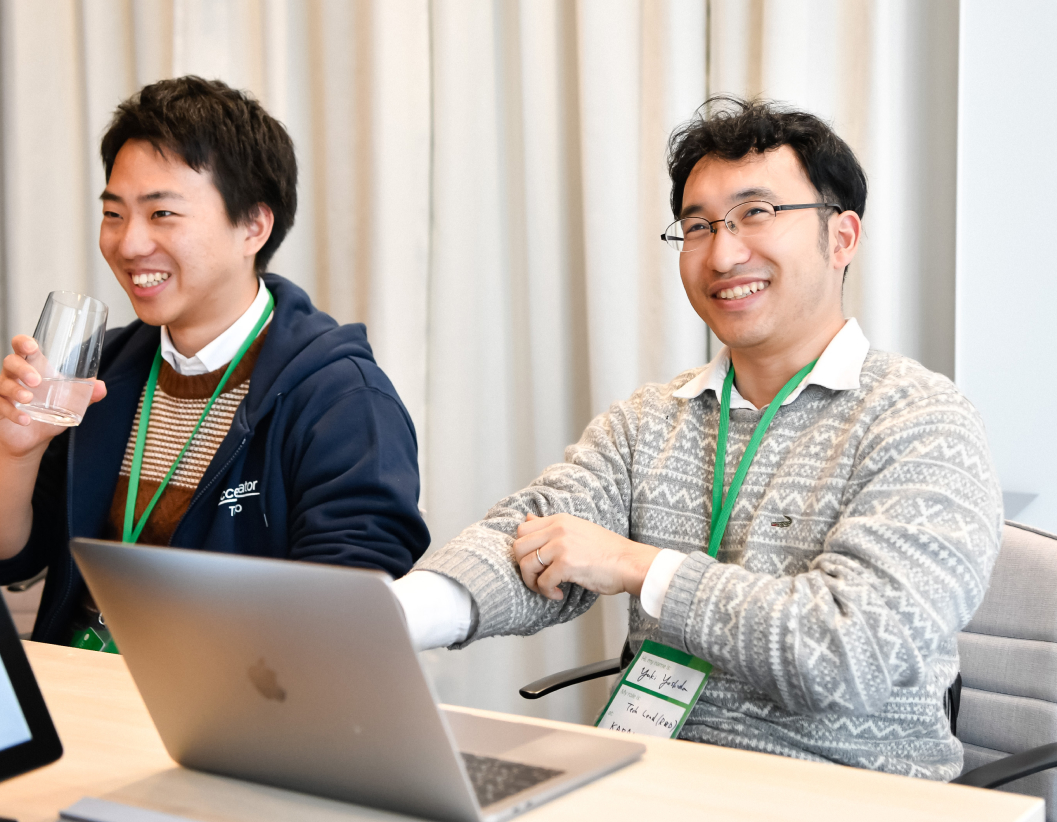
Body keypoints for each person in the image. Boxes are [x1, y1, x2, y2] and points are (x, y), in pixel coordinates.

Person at [393, 97, 1000, 780]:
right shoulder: (651, 419)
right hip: (651, 777)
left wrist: (639, 567)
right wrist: (387, 618)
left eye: (757, 214)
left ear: (843, 238)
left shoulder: (923, 421)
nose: (723, 252)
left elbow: (848, 653)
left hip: (847, 791)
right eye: (698, 225)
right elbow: (533, 537)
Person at [0, 76, 429, 650]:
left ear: (253, 226)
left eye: (163, 214)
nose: (128, 245)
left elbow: (347, 621)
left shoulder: (341, 400)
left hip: (228, 718)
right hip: (83, 688)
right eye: (114, 213)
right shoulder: (106, 370)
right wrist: (16, 450)